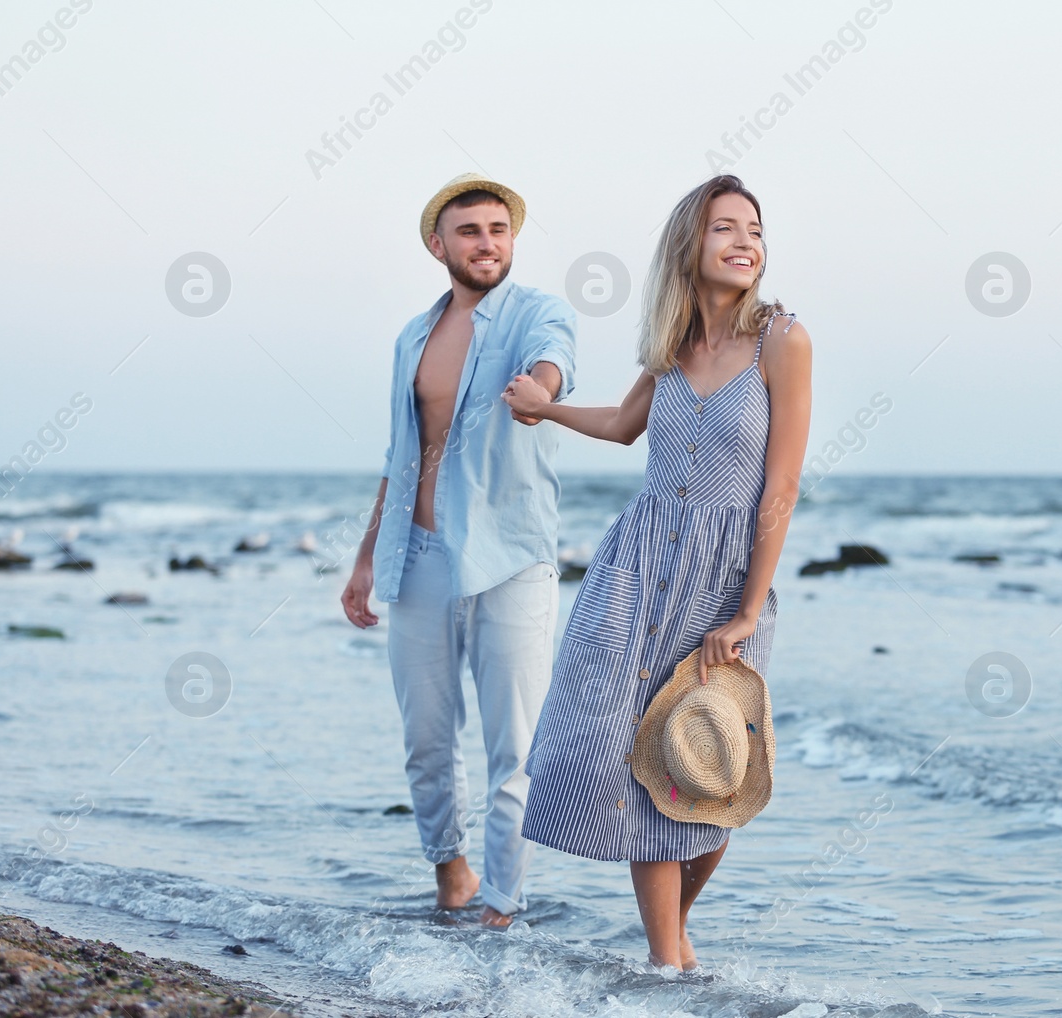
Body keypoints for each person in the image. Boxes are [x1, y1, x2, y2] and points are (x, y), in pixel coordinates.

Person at [503, 173, 811, 970]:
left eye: (755, 228)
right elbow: (620, 423)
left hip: (723, 586)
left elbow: (780, 488)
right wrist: (546, 409)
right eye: (725, 228)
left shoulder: (783, 339)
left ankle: (671, 948)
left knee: (707, 774)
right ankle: (667, 965)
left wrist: (746, 613)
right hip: (633, 576)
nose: (746, 241)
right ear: (690, 244)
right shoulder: (673, 346)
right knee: (636, 762)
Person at [341, 173, 577, 928]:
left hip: (511, 558)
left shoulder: (537, 312)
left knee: (516, 749)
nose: (487, 244)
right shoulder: (413, 335)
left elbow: (553, 359)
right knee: (427, 741)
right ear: (438, 244)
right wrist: (367, 555)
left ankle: (504, 907)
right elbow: (400, 452)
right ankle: (452, 876)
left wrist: (542, 392)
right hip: (421, 558)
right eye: (470, 231)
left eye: (499, 230)